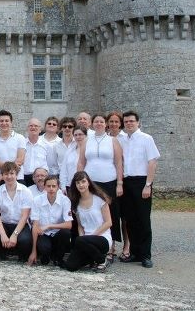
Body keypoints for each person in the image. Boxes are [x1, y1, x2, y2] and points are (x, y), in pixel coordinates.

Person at [77, 113, 124, 262]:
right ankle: (92, 241)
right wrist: (77, 180)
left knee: (111, 214)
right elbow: (81, 163)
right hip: (91, 183)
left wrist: (119, 183)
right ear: (92, 124)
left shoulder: (113, 141)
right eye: (96, 121)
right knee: (92, 211)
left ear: (106, 124)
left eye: (101, 122)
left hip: (109, 182)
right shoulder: (86, 141)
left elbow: (118, 163)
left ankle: (111, 246)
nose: (98, 124)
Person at [119, 110, 160, 268]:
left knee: (143, 219)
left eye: (131, 121)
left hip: (142, 181)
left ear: (138, 122)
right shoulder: (123, 140)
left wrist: (148, 185)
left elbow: (152, 162)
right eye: (126, 121)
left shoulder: (146, 139)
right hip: (127, 182)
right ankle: (135, 252)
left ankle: (145, 255)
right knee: (130, 220)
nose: (129, 124)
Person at [64, 171, 113, 272]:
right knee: (70, 266)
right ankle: (93, 259)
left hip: (102, 239)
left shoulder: (100, 199)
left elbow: (108, 222)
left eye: (83, 181)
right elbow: (80, 226)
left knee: (78, 240)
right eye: (78, 183)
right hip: (85, 242)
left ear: (88, 183)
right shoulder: (75, 203)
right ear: (75, 185)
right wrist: (84, 238)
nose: (81, 185)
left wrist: (91, 236)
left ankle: (102, 260)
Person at [0, 161, 33, 261]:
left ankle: (19, 253)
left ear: (16, 174)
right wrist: (3, 235)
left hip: (20, 224)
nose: (9, 176)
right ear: (2, 176)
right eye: (6, 174)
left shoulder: (26, 191)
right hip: (5, 224)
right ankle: (3, 252)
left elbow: (25, 216)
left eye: (12, 173)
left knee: (25, 240)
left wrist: (15, 235)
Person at [27, 174, 72, 266]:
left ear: (58, 187)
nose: (51, 188)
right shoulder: (37, 200)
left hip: (57, 234)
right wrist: (33, 251)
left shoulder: (65, 200)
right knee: (44, 248)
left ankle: (58, 258)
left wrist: (49, 225)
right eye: (48, 186)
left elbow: (69, 225)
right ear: (44, 187)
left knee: (66, 233)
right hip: (43, 234)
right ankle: (46, 255)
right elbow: (35, 225)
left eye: (54, 186)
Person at [106, 110, 130, 259]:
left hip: (125, 180)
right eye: (111, 121)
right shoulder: (104, 138)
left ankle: (127, 245)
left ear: (120, 123)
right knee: (113, 214)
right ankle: (112, 244)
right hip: (111, 180)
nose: (114, 124)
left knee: (126, 216)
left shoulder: (126, 138)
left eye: (116, 121)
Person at [0, 110, 27, 185]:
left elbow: (20, 160)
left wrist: (5, 173)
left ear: (11, 122)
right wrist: (9, 170)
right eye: (1, 121)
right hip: (0, 179)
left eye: (7, 121)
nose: (4, 123)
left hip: (17, 178)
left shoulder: (20, 138)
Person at [57, 117, 79, 194]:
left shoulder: (78, 144)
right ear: (61, 128)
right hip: (62, 181)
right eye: (64, 126)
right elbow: (54, 165)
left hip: (77, 180)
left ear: (74, 128)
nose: (67, 128)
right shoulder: (56, 145)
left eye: (70, 126)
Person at [23, 118, 47, 187]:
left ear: (40, 130)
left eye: (36, 126)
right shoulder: (21, 144)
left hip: (40, 179)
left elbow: (49, 164)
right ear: (27, 129)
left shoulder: (45, 145)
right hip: (24, 179)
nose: (33, 127)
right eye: (31, 126)